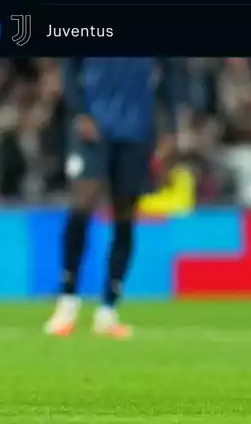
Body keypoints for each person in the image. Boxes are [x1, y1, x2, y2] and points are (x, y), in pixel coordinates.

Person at [44, 58, 175, 338]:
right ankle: (66, 302)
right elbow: (69, 69)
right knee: (81, 205)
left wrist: (169, 130)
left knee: (125, 214)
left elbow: (171, 78)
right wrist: (80, 113)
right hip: (93, 129)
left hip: (137, 132)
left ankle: (108, 310)